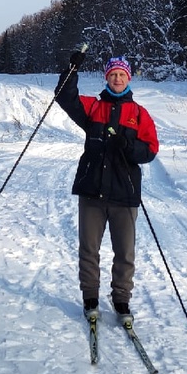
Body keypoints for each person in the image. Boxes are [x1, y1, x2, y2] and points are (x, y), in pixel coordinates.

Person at [54, 52, 159, 324]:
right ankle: (90, 297)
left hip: (124, 193)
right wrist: (71, 69)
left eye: (122, 75)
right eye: (113, 74)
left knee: (125, 252)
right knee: (89, 249)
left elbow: (150, 150)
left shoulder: (139, 114)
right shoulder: (94, 108)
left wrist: (129, 146)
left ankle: (121, 299)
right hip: (92, 190)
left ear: (129, 79)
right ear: (106, 77)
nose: (117, 79)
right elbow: (65, 98)